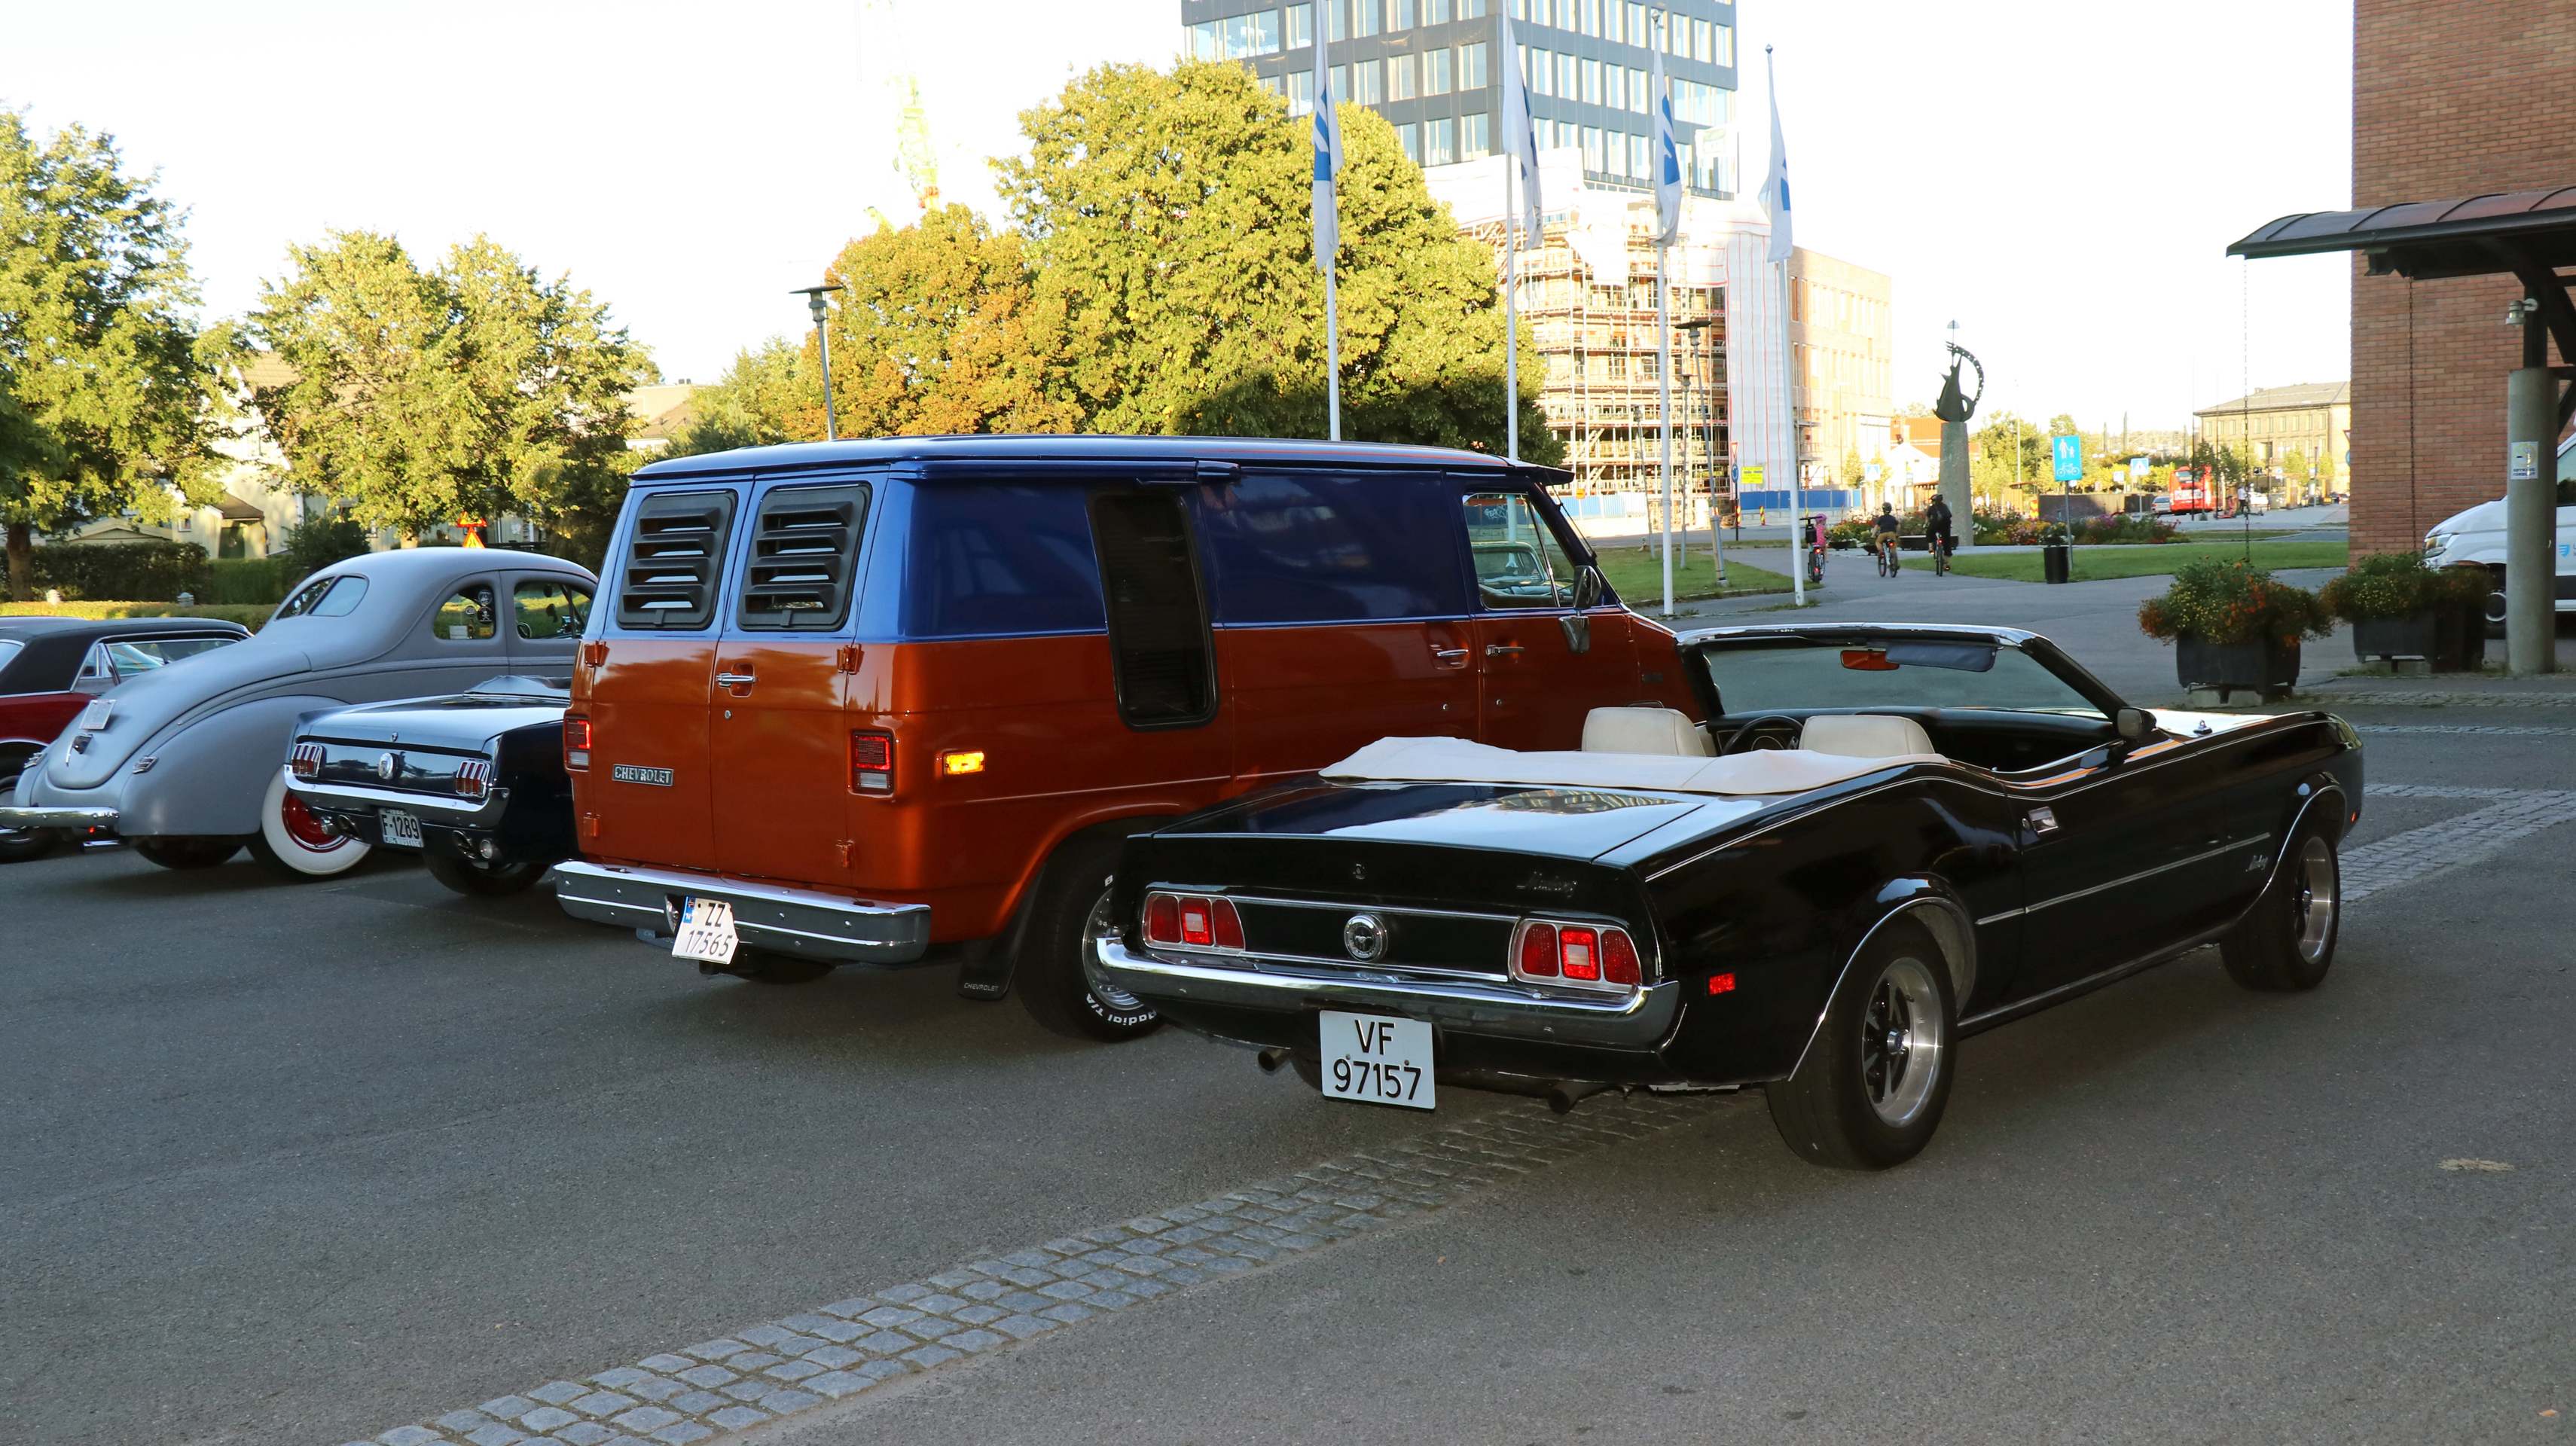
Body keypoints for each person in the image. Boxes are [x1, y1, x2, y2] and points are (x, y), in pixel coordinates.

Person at [1924, 494, 1955, 575]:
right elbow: (1949, 516)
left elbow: (1928, 518)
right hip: (1945, 525)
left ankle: (1931, 547)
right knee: (1947, 542)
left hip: (1935, 525)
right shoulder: (1945, 507)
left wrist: (1926, 525)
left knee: (1930, 532)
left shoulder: (1932, 508)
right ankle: (1948, 563)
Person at [1872, 503, 1901, 575]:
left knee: (1878, 542)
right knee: (1893, 547)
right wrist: (1897, 534)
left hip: (1883, 534)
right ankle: (1895, 561)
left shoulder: (1881, 518)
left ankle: (1881, 550)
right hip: (1892, 534)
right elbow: (1899, 526)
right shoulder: (1893, 518)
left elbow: (1876, 527)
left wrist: (1873, 535)